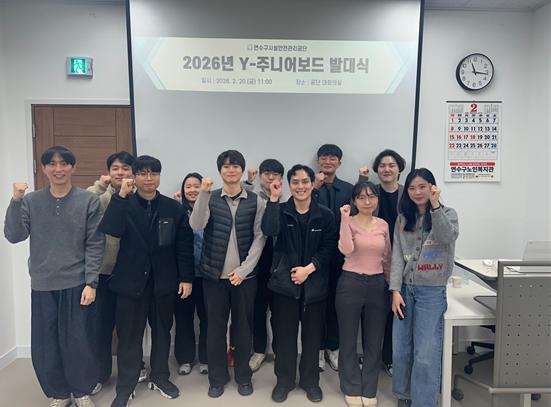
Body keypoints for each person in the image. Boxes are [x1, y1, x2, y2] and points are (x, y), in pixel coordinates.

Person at [4, 146, 105, 407]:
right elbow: (14, 235)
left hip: (77, 283)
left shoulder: (88, 201)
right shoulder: (31, 201)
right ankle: (59, 393)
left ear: (73, 167)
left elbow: (95, 243)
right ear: (44, 168)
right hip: (43, 284)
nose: (58, 169)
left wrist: (91, 282)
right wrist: (15, 200)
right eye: (52, 164)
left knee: (79, 341)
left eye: (64, 163)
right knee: (46, 343)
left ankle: (81, 391)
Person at [100, 155, 195, 407]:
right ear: (134, 177)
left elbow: (184, 247)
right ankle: (126, 387)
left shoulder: (173, 208)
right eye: (143, 173)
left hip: (163, 282)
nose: (148, 178)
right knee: (129, 338)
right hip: (129, 282)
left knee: (162, 333)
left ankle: (160, 377)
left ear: (159, 176)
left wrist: (186, 278)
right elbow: (111, 229)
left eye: (154, 173)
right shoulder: (124, 203)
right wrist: (121, 196)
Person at [189, 150, 266, 398]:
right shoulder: (210, 197)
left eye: (235, 166)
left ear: (242, 171)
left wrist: (243, 271)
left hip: (245, 279)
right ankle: (217, 379)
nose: (231, 170)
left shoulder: (256, 201)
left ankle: (243, 377)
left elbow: (259, 238)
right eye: (226, 166)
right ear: (220, 170)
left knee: (243, 330)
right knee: (214, 331)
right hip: (214, 277)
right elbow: (196, 225)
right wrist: (203, 193)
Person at [262, 164, 337, 403]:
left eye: (305, 181)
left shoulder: (325, 215)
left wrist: (308, 269)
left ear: (312, 184)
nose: (300, 186)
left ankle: (310, 382)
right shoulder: (281, 210)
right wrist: (274, 199)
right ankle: (283, 382)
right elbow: (268, 230)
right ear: (289, 185)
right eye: (295, 182)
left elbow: (329, 248)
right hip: (284, 286)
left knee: (312, 339)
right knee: (284, 339)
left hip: (314, 286)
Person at [390, 168, 459, 407]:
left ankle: (424, 401)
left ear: (432, 187)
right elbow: (397, 256)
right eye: (412, 188)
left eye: (422, 186)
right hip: (405, 290)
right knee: (400, 347)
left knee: (426, 350)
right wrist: (395, 290)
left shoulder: (447, 213)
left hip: (432, 291)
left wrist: (435, 206)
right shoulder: (403, 219)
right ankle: (404, 394)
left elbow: (447, 237)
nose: (417, 192)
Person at [86, 151, 149, 389]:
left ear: (133, 173)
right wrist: (98, 186)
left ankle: (135, 366)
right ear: (108, 172)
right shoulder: (101, 197)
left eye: (125, 168)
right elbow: (81, 204)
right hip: (104, 273)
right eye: (115, 168)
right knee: (101, 327)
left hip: (131, 274)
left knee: (130, 327)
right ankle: (100, 374)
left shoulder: (141, 197)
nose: (120, 172)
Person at [335, 181, 391, 407]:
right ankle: (351, 387)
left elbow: (387, 258)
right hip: (351, 283)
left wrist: (391, 286)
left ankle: (369, 388)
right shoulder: (348, 222)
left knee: (374, 340)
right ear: (354, 201)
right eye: (361, 197)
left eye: (372, 197)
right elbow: (346, 249)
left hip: (378, 284)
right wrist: (344, 219)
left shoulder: (383, 225)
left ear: (377, 199)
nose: (367, 202)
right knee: (348, 339)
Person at [358, 149, 406, 377]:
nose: (387, 169)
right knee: (372, 312)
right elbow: (356, 216)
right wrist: (362, 181)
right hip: (373, 261)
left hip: (402, 261)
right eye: (382, 165)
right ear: (376, 169)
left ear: (399, 169)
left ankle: (390, 358)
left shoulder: (408, 194)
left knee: (395, 311)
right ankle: (370, 357)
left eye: (392, 165)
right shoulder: (370, 193)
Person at [244, 158, 288, 372]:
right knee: (257, 309)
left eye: (275, 174)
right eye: (267, 173)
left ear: (281, 178)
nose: (271, 178)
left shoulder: (287, 201)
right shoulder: (252, 198)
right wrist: (248, 182)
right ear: (260, 176)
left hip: (280, 262)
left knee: (279, 312)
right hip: (256, 262)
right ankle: (259, 350)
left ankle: (280, 350)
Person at [313, 144, 353, 372]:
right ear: (318, 162)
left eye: (332, 158)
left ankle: (333, 349)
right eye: (323, 158)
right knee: (317, 305)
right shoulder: (309, 187)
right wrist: (315, 188)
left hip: (341, 258)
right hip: (315, 257)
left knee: (337, 305)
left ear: (339, 163)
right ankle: (318, 350)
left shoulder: (348, 189)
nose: (327, 161)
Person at [173, 172, 209, 376]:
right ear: (183, 190)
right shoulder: (178, 211)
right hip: (184, 275)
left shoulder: (210, 210)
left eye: (197, 186)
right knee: (184, 318)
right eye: (189, 186)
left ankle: (206, 359)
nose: (193, 190)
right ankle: (185, 359)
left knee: (207, 319)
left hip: (207, 275)